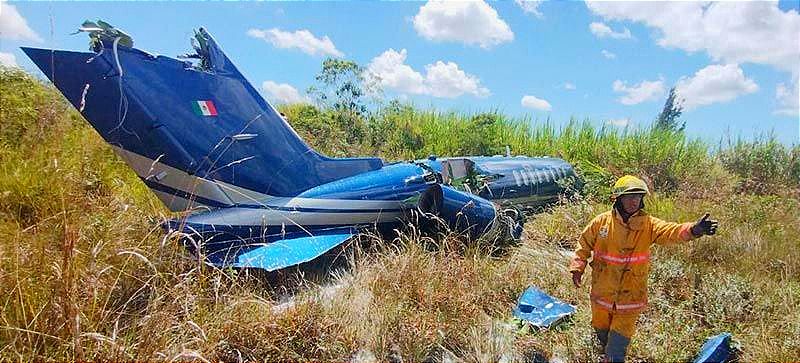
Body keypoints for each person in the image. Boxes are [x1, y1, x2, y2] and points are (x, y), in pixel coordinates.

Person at [569, 175, 718, 362]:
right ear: (617, 199)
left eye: (638, 197)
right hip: (602, 294)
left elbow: (671, 231)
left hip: (630, 297)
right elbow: (583, 244)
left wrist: (694, 230)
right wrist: (577, 267)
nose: (633, 201)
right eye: (629, 197)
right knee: (601, 332)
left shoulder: (649, 224)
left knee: (616, 348)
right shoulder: (601, 223)